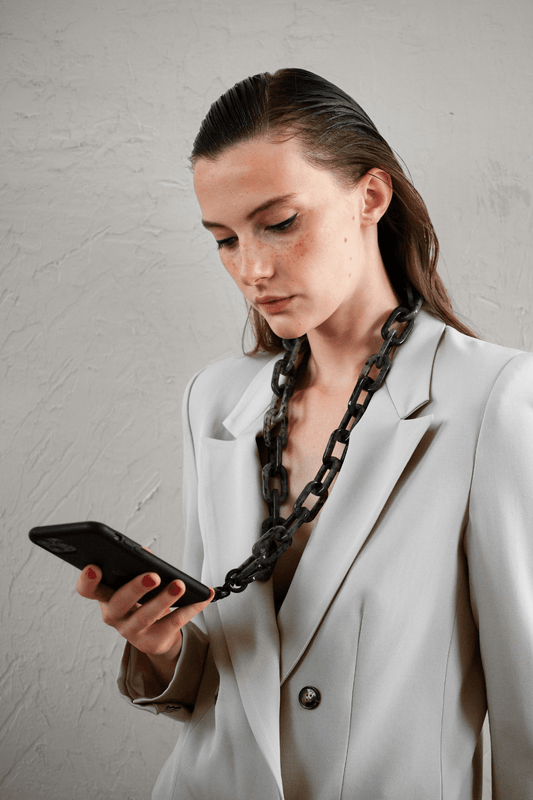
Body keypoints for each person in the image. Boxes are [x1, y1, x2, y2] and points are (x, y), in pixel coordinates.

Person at [76, 69, 533, 799]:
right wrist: (158, 646)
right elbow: (221, 676)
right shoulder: (215, 401)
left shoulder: (492, 399)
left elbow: (525, 699)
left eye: (280, 222)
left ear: (370, 197)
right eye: (224, 239)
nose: (251, 269)